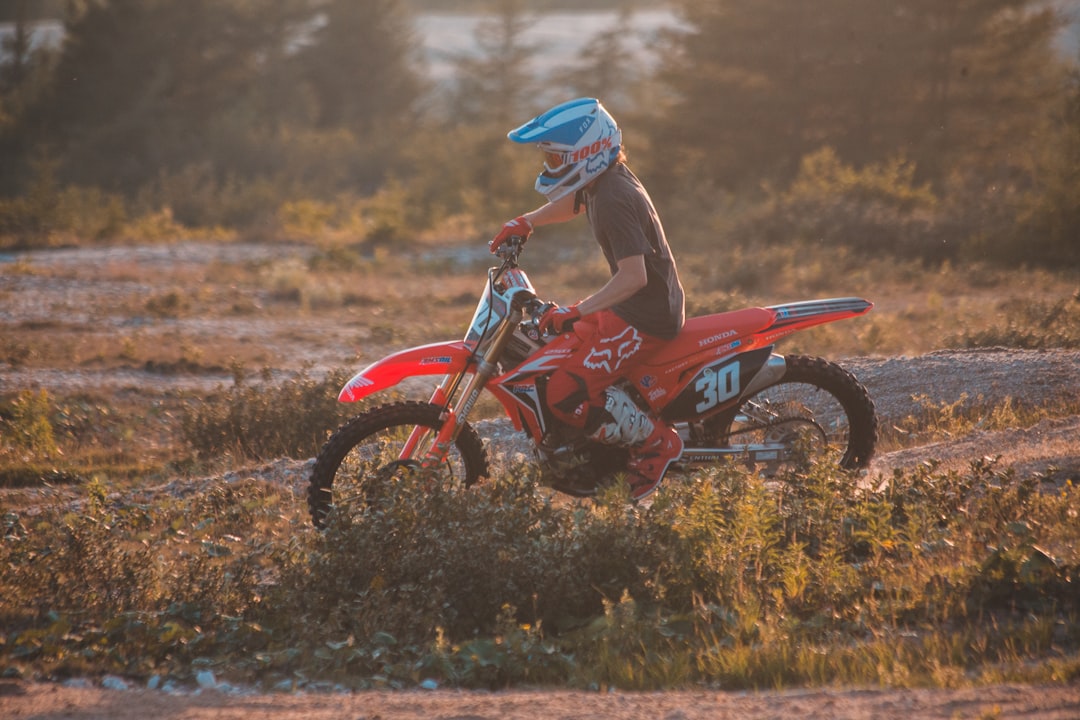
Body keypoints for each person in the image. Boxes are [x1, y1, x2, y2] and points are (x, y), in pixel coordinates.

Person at [489, 97, 685, 500]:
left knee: (566, 392)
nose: (549, 167)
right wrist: (526, 222)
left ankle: (657, 444)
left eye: (557, 159)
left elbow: (633, 277)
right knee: (557, 345)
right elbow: (573, 204)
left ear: (587, 154)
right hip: (632, 306)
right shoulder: (603, 181)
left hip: (645, 316)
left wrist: (576, 311)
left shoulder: (613, 198)